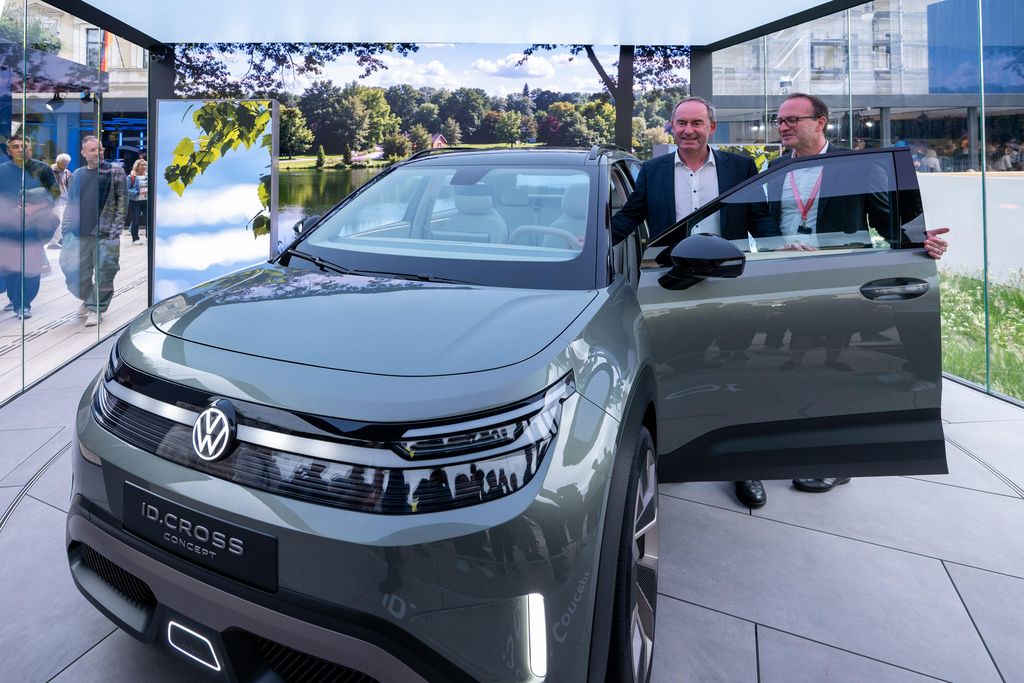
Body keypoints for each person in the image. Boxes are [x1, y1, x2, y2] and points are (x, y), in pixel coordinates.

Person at [731, 92, 949, 508]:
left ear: (821, 122)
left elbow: (886, 217)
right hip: (782, 278)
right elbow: (761, 219)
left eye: (793, 119)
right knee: (782, 368)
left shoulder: (855, 165)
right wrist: (776, 249)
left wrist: (922, 243)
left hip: (837, 282)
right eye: (779, 121)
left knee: (834, 375)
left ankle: (835, 460)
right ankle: (770, 450)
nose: (784, 127)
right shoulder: (775, 168)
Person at [611, 97, 763, 244]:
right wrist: (593, 242)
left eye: (697, 123)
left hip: (728, 267)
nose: (688, 130)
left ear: (712, 127)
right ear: (673, 126)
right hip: (670, 267)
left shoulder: (741, 168)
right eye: (682, 123)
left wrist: (778, 248)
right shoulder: (651, 171)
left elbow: (760, 219)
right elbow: (629, 217)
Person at [59, 135, 127, 327]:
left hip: (105, 234)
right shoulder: (78, 174)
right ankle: (89, 298)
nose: (98, 152)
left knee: (105, 273)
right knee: (71, 271)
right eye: (92, 150)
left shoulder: (115, 171)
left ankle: (96, 307)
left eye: (100, 149)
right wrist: (65, 232)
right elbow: (70, 205)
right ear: (83, 153)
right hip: (77, 233)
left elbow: (122, 201)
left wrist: (115, 230)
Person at [0, 134, 58, 315]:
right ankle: (14, 298)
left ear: (30, 149)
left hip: (34, 227)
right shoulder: (1, 171)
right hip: (8, 227)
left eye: (24, 146)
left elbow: (54, 193)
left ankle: (24, 303)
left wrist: (37, 207)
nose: (20, 149)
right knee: (10, 266)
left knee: (31, 265)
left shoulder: (43, 169)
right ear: (9, 151)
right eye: (16, 147)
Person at [47, 153, 72, 248]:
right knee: (56, 220)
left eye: (67, 163)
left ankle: (59, 240)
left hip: (64, 200)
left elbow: (70, 185)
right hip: (53, 200)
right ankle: (53, 242)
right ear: (58, 162)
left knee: (63, 221)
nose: (66, 165)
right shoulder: (49, 170)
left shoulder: (67, 172)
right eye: (64, 163)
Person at [126, 158, 148, 244]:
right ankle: (135, 239)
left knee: (149, 220)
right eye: (142, 165)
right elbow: (126, 190)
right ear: (137, 166)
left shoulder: (148, 176)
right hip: (135, 202)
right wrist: (138, 192)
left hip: (146, 201)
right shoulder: (131, 177)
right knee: (135, 220)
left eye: (145, 165)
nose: (144, 166)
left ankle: (148, 237)